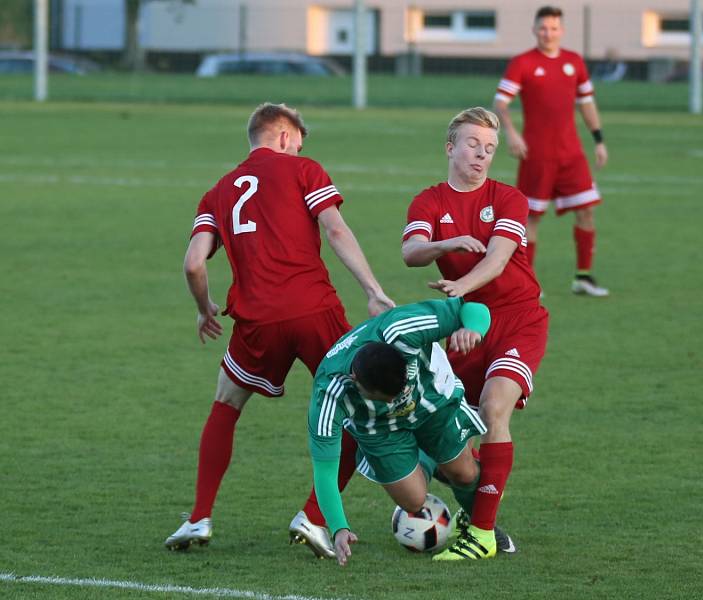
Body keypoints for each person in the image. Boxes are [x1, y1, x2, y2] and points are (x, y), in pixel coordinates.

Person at [164, 102, 395, 553]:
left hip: (256, 318)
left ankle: (198, 518)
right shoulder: (303, 170)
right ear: (286, 137)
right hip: (314, 311)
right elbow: (336, 230)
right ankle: (313, 517)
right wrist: (372, 288)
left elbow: (193, 264)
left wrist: (203, 308)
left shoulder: (220, 191)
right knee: (356, 411)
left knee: (226, 405)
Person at [401, 107, 549, 560]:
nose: (481, 155)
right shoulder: (429, 201)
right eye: (472, 145)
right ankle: (480, 504)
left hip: (518, 318)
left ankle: (482, 533)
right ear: (450, 147)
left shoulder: (509, 199)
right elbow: (410, 252)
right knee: (444, 436)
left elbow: (499, 258)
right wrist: (446, 246)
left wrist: (460, 288)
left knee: (493, 408)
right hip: (468, 324)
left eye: (489, 149)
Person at [307, 298, 492, 566]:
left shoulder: (401, 329)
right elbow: (324, 472)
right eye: (385, 398)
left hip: (429, 401)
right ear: (357, 383)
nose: (394, 401)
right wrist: (339, 528)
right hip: (379, 430)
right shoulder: (329, 395)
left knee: (465, 474)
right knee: (414, 501)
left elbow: (472, 308)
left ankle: (481, 527)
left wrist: (474, 329)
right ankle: (428, 455)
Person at [493, 5, 610, 297]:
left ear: (562, 30)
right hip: (537, 155)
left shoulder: (574, 61)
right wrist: (512, 133)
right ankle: (528, 283)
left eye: (554, 28)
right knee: (531, 217)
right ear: (534, 30)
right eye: (543, 28)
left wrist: (598, 139)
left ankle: (583, 277)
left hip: (572, 154)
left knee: (586, 211)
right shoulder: (522, 63)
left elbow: (586, 103)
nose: (548, 33)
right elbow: (501, 103)